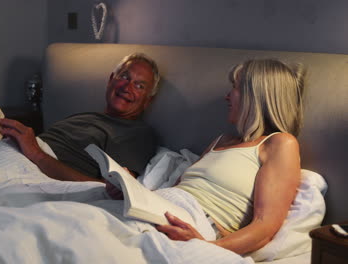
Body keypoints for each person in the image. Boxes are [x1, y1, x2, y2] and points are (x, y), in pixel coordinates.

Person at [108, 58, 305, 255]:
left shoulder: (279, 143)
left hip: (194, 222)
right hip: (163, 206)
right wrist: (130, 192)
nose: (227, 96)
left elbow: (265, 228)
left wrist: (205, 246)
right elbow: (178, 188)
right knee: (85, 221)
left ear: (255, 95)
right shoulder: (221, 140)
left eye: (234, 88)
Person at [0, 53, 161, 182]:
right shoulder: (86, 117)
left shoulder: (138, 133)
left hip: (33, 173)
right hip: (11, 158)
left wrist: (36, 153)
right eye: (124, 77)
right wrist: (4, 138)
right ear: (111, 80)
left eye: (139, 86)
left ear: (148, 101)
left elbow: (110, 191)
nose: (127, 87)